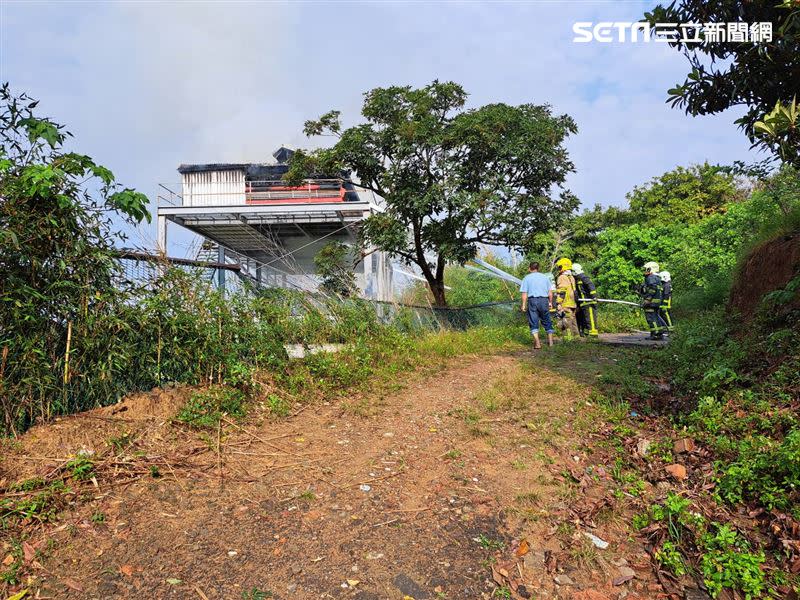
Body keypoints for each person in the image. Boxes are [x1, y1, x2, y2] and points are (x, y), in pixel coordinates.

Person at [519, 261, 555, 349]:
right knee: (547, 320)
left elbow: (524, 294)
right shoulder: (545, 277)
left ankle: (538, 343)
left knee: (533, 320)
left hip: (532, 301)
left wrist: (523, 305)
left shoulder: (526, 278)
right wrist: (550, 302)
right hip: (544, 300)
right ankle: (550, 342)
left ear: (529, 268)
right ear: (538, 268)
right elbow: (550, 293)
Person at [554, 258, 581, 339]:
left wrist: (559, 303)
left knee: (566, 322)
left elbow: (562, 291)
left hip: (565, 303)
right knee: (573, 321)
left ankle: (568, 339)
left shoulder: (562, 277)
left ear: (563, 267)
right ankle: (576, 338)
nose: (558, 269)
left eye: (559, 267)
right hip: (572, 303)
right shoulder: (571, 277)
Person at [640, 261, 667, 339]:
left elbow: (652, 289)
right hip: (656, 303)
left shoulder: (651, 277)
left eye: (647, 269)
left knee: (651, 318)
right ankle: (658, 334)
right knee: (655, 317)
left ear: (651, 269)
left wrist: (648, 299)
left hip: (651, 303)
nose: (645, 271)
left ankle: (656, 334)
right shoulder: (657, 278)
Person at [572, 263, 599, 337]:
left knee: (591, 318)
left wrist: (594, 296)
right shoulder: (577, 279)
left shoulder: (584, 277)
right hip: (583, 303)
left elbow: (591, 286)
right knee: (586, 319)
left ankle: (593, 334)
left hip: (589, 302)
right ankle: (586, 333)